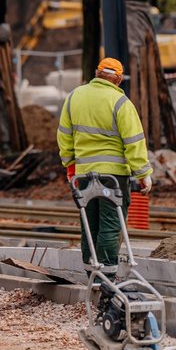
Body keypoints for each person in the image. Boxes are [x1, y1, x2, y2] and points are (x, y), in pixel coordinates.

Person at [57, 57, 153, 269]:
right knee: (111, 225)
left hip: (83, 174)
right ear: (118, 79)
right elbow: (134, 141)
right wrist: (143, 174)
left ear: (96, 73)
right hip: (113, 176)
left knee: (89, 223)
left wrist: (70, 165)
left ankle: (91, 269)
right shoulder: (121, 103)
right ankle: (108, 273)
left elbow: (64, 135)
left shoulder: (74, 97)